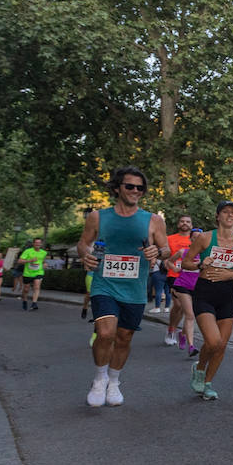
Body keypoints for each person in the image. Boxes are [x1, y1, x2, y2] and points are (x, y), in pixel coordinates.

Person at [77, 166, 169, 407]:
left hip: (135, 288)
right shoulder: (98, 216)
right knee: (105, 333)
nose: (135, 191)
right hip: (104, 284)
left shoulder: (153, 220)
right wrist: (86, 256)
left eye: (140, 188)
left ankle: (114, 381)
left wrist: (157, 251)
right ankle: (99, 379)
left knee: (124, 337)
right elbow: (83, 244)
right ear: (117, 188)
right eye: (130, 186)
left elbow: (166, 249)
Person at [182, 201, 233, 400]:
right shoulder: (205, 238)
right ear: (218, 216)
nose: (230, 215)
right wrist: (200, 264)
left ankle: (208, 383)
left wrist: (231, 275)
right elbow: (185, 263)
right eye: (225, 212)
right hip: (205, 291)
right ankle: (200, 368)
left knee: (222, 345)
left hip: (226, 293)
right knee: (213, 341)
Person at [163, 214, 194, 345]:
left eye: (187, 221)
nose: (184, 223)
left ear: (191, 225)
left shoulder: (196, 239)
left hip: (190, 277)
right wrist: (167, 263)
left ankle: (178, 330)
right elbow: (165, 255)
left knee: (185, 308)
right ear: (178, 224)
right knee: (178, 304)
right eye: (182, 221)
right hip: (174, 275)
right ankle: (171, 330)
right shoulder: (169, 239)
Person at [18, 237, 48, 311]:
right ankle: (25, 300)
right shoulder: (28, 251)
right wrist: (29, 260)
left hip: (39, 272)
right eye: (36, 242)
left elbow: (43, 261)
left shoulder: (44, 252)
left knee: (37, 286)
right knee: (26, 289)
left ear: (41, 244)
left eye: (39, 243)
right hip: (28, 273)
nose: (38, 244)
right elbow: (20, 261)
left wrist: (45, 264)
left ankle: (34, 303)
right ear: (33, 243)